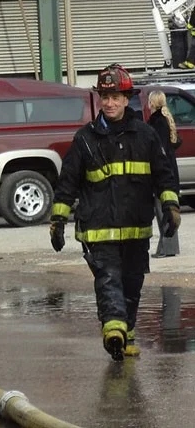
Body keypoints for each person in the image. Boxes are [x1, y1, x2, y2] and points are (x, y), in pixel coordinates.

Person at [49, 64, 180, 361]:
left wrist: (171, 206)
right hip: (98, 230)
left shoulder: (145, 135)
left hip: (136, 229)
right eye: (105, 96)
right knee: (108, 280)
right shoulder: (84, 139)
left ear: (126, 99)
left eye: (115, 97)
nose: (109, 102)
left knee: (132, 283)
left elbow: (164, 176)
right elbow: (67, 182)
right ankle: (113, 331)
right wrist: (58, 219)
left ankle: (125, 335)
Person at [148, 90, 181, 258]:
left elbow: (158, 149)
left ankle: (167, 248)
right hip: (170, 170)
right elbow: (175, 142)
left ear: (153, 102)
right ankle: (168, 248)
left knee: (164, 212)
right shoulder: (167, 119)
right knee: (168, 210)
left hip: (163, 173)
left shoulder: (157, 122)